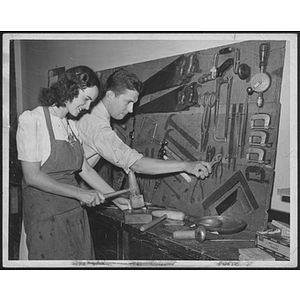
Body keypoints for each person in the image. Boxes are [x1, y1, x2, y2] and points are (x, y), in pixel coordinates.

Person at [16, 66, 130, 260]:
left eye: (91, 102)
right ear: (70, 89)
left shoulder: (72, 126)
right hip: (46, 219)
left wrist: (114, 198)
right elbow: (32, 176)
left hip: (74, 215)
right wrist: (80, 193)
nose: (87, 107)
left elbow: (84, 168)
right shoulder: (32, 120)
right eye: (86, 99)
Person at [76, 68, 211, 187]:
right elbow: (137, 164)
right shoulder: (97, 126)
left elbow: (83, 167)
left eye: (133, 104)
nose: (130, 110)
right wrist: (185, 165)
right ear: (110, 95)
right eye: (128, 102)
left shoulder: (91, 115)